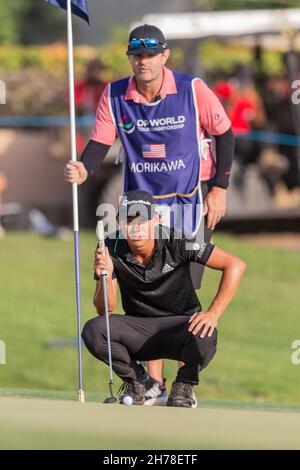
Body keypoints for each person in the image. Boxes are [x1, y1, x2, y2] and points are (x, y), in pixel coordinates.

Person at [64, 24, 235, 402]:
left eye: (150, 54)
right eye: (136, 55)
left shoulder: (192, 89)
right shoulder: (115, 94)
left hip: (187, 203)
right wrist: (84, 168)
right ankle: (152, 385)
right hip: (138, 209)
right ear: (131, 59)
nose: (143, 62)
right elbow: (99, 142)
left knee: (181, 292)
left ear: (164, 56)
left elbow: (225, 132)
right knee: (142, 291)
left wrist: (219, 187)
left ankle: (183, 384)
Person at [81, 190, 246, 407]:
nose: (136, 227)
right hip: (139, 330)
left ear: (156, 220)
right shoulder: (110, 247)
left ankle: (184, 384)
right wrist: (106, 273)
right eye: (129, 220)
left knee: (206, 332)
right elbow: (105, 309)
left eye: (143, 220)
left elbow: (235, 264)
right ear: (119, 222)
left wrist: (213, 313)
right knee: (94, 330)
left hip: (181, 327)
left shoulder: (178, 240)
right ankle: (139, 381)